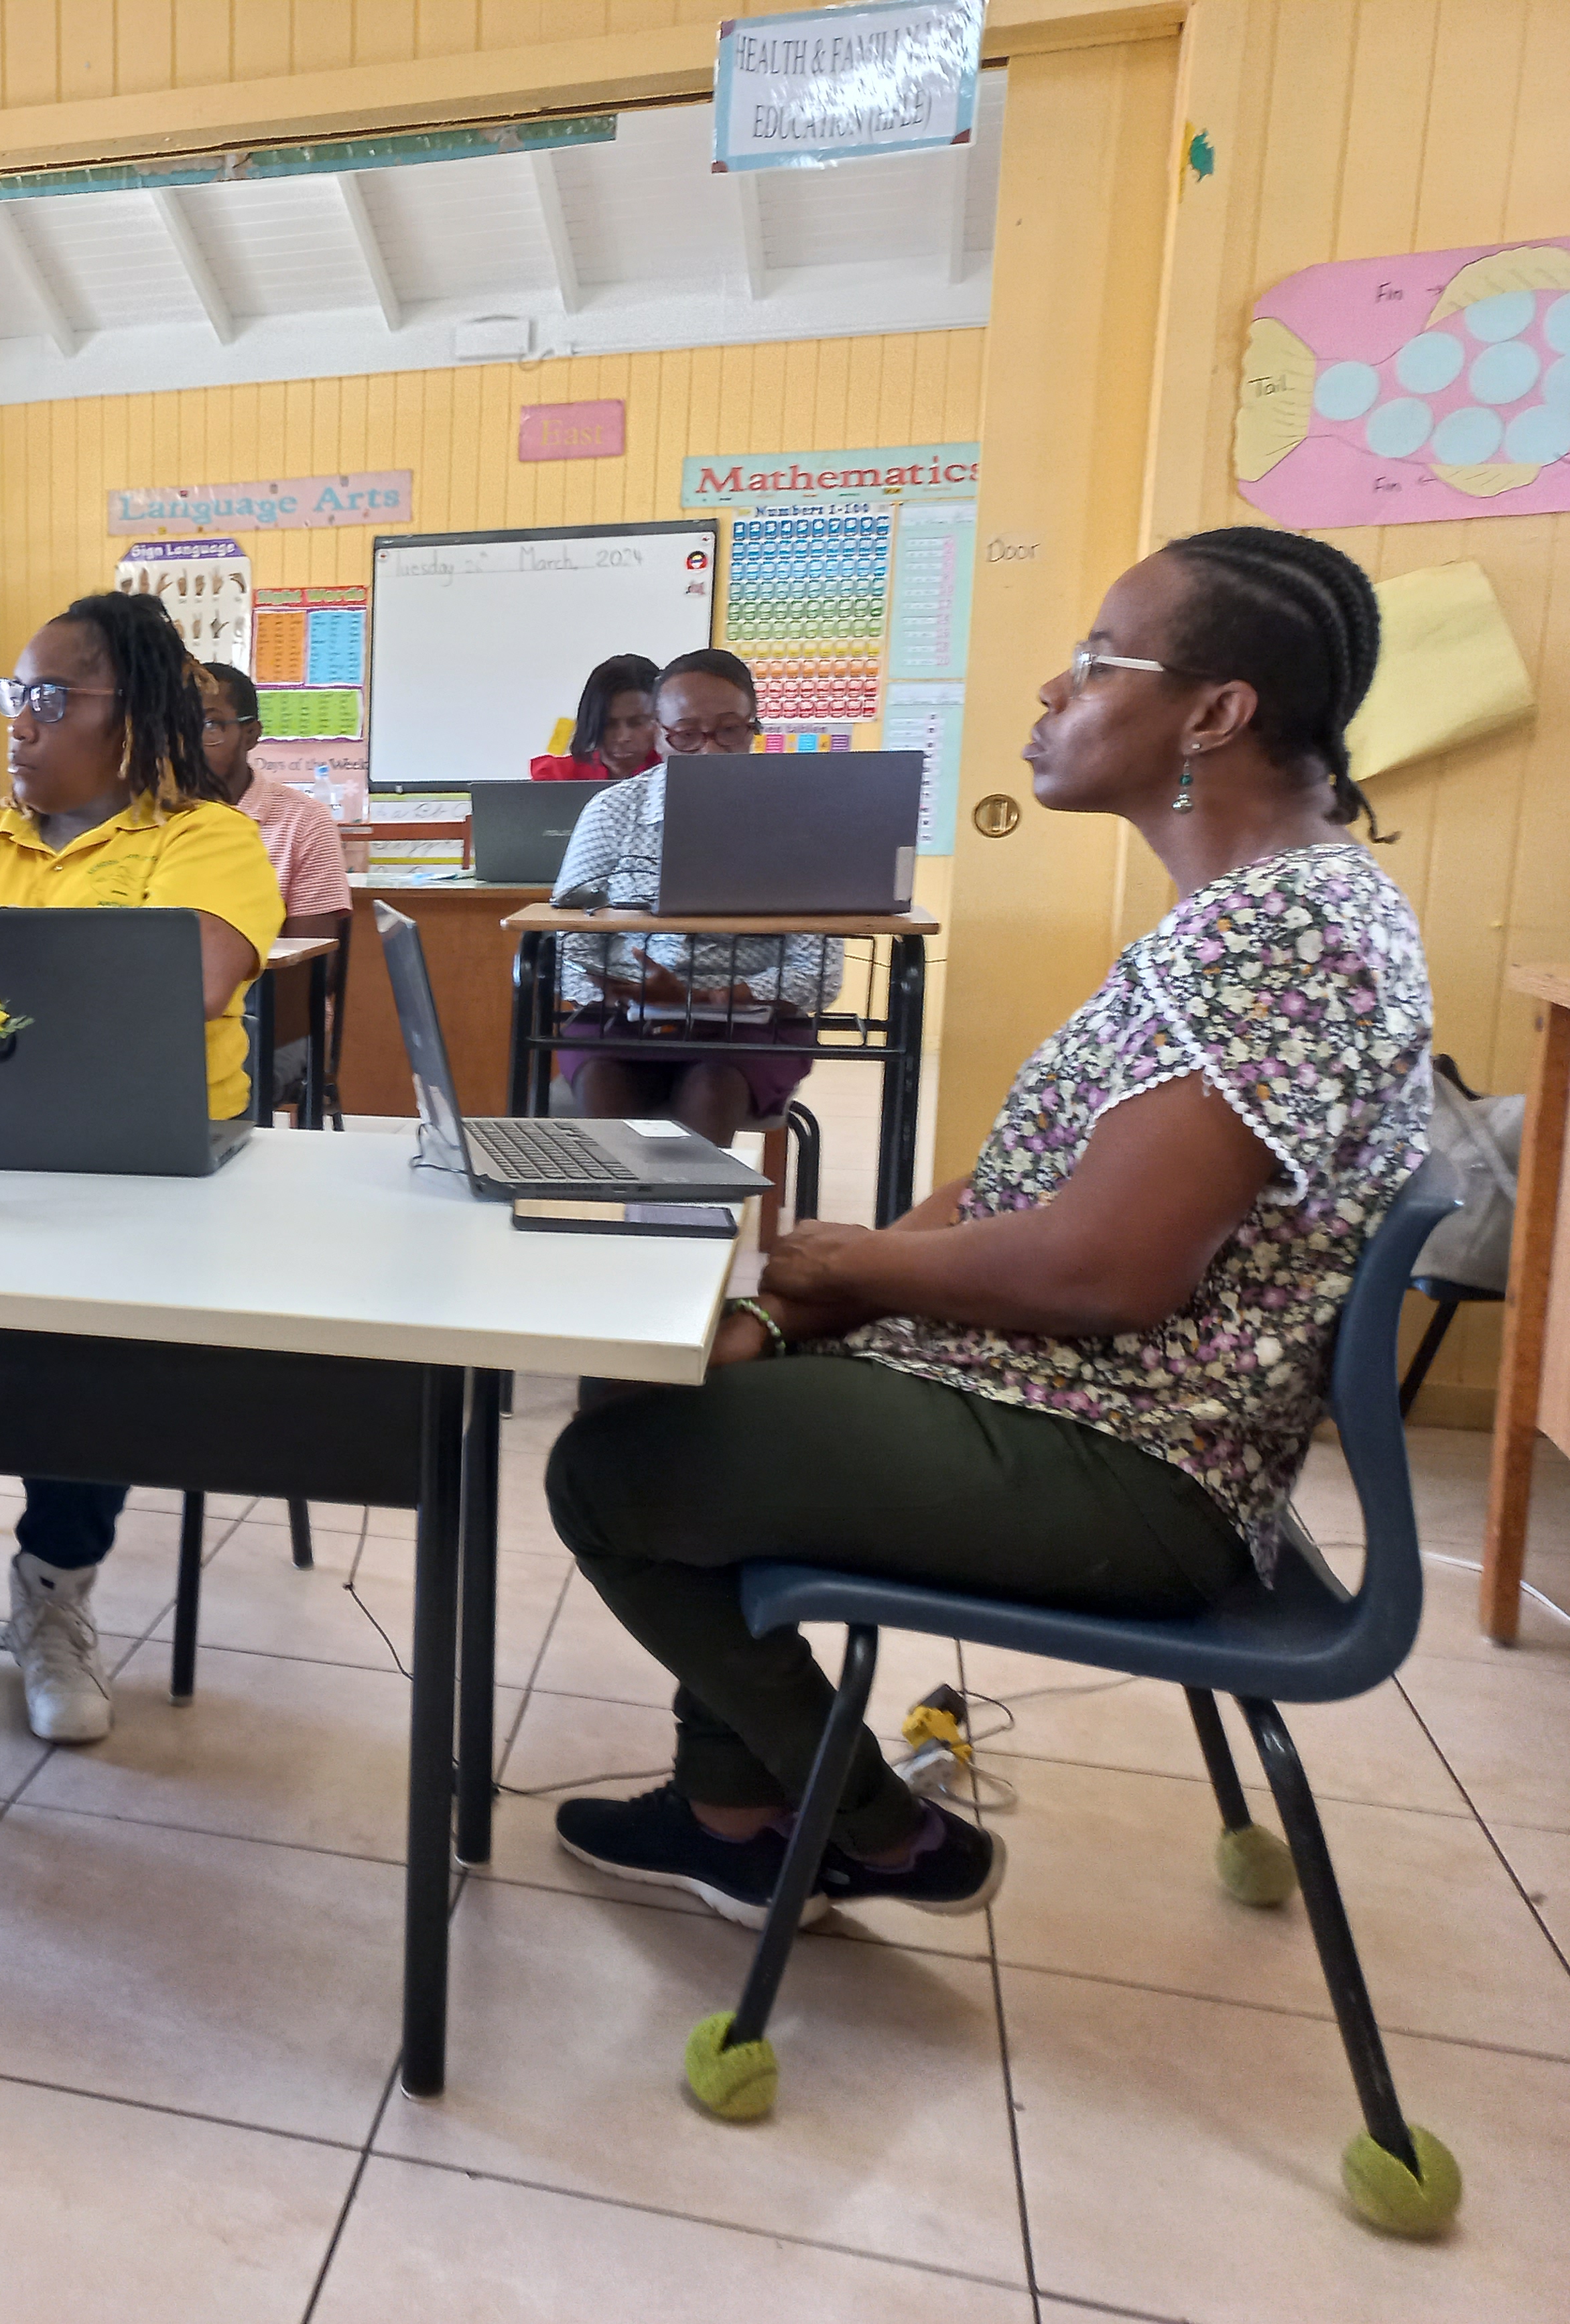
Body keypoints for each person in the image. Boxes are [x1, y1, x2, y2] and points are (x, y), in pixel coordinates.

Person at [547, 528, 1429, 1923]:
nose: (1046, 690)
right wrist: (800, 1302)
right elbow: (1030, 1179)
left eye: (1089, 662)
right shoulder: (1260, 910)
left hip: (1128, 1456)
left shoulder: (1280, 931)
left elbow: (1102, 1265)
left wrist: (843, 1260)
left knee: (610, 1466)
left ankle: (872, 1832)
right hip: (1073, 1401)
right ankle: (735, 1808)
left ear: (1212, 714)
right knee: (697, 1391)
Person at [0, 592, 285, 1740]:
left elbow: (184, 981)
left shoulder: (202, 838)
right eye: (15, 696)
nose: (18, 722)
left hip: (134, 1172)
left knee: (86, 1364)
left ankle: (51, 1594)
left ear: (132, 716)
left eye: (48, 699)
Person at [547, 649, 836, 1145]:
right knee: (603, 1080)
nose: (709, 751)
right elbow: (567, 939)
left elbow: (820, 972)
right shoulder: (614, 811)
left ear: (753, 726)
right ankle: (632, 1218)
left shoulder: (800, 819)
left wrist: (708, 999)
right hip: (621, 1022)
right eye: (686, 734)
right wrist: (619, 992)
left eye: (728, 730)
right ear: (659, 734)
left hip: (748, 1027)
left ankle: (684, 1218)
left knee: (711, 1084)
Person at [195, 661, 353, 938]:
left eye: (210, 725)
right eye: (176, 725)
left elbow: (309, 967)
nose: (188, 742)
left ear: (251, 735)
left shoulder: (305, 824)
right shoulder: (150, 819)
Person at [527, 652, 663, 781]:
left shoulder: (675, 773)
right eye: (609, 724)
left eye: (637, 723)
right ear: (591, 721)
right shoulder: (559, 777)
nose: (623, 738)